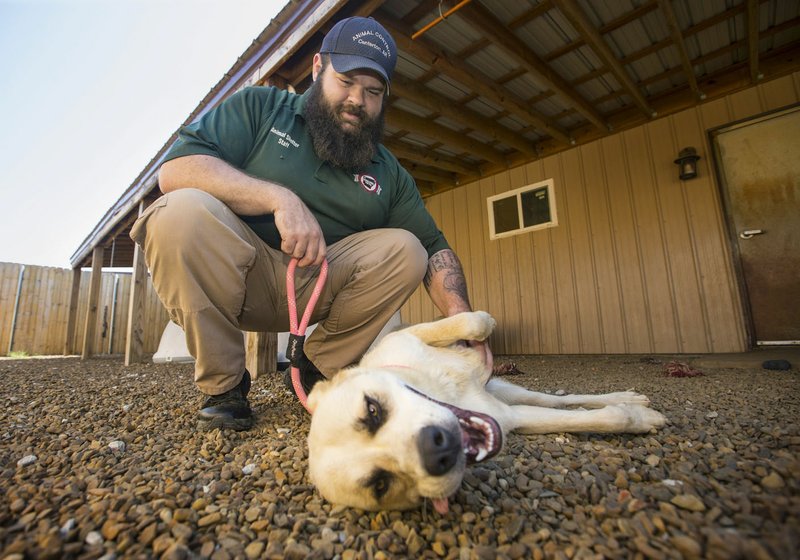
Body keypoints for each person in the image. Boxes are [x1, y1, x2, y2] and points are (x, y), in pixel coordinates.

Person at [130, 16, 491, 431]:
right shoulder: (261, 107)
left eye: (373, 91)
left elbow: (433, 251)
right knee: (178, 212)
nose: (358, 99)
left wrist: (464, 327)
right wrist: (277, 198)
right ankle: (225, 385)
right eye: (347, 81)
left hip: (316, 288)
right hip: (237, 276)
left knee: (407, 249)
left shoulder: (389, 173)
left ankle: (312, 367)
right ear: (318, 68)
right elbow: (177, 169)